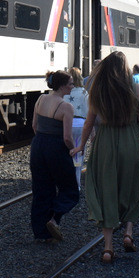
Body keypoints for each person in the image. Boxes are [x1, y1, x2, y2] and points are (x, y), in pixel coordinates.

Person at [78, 51, 139, 264]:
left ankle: (108, 248)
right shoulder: (136, 89)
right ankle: (128, 232)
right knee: (131, 185)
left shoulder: (97, 90)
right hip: (130, 140)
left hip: (105, 143)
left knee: (106, 189)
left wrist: (81, 146)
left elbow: (88, 123)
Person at [29, 70, 80, 241]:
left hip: (38, 145)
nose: (73, 87)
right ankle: (54, 219)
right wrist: (73, 150)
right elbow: (67, 137)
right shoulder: (66, 107)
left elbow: (34, 125)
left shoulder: (40, 99)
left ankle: (40, 232)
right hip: (56, 148)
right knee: (70, 189)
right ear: (63, 86)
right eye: (71, 84)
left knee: (42, 188)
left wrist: (41, 141)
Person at [64, 67, 88, 187]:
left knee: (66, 153)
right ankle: (76, 185)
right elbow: (89, 112)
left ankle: (65, 184)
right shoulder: (84, 92)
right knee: (78, 156)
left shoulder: (65, 91)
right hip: (81, 126)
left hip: (67, 125)